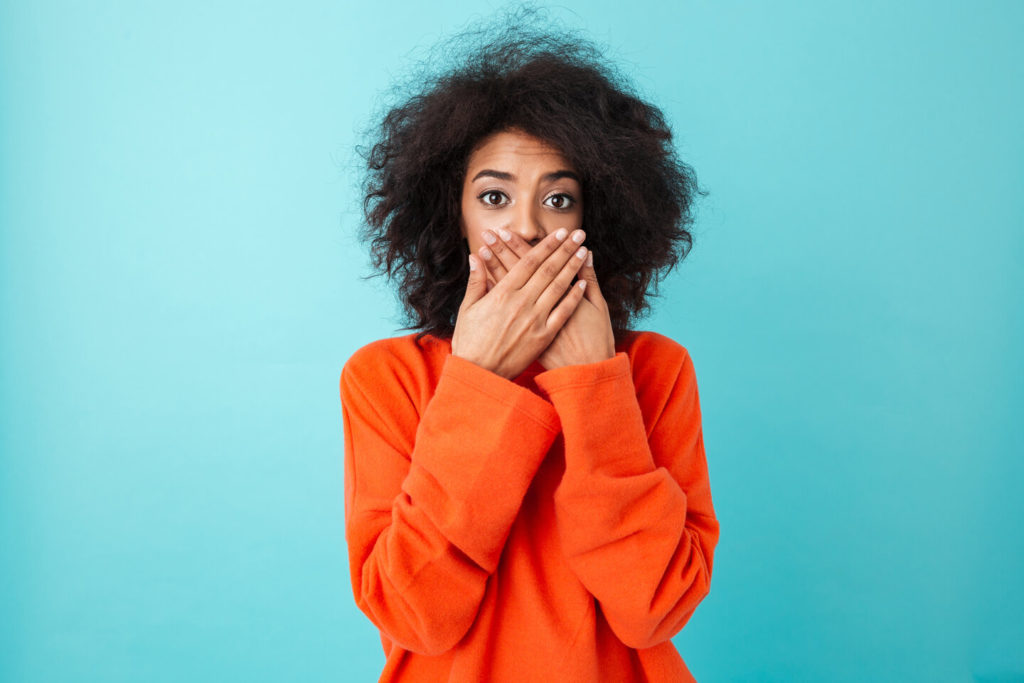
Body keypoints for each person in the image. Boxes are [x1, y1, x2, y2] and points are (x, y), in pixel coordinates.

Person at [340, 10, 719, 682]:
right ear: (451, 215)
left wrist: (598, 383)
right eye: (494, 195)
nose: (528, 228)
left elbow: (653, 608)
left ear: (596, 216)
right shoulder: (385, 379)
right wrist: (478, 379)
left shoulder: (656, 370)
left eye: (559, 200)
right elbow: (413, 612)